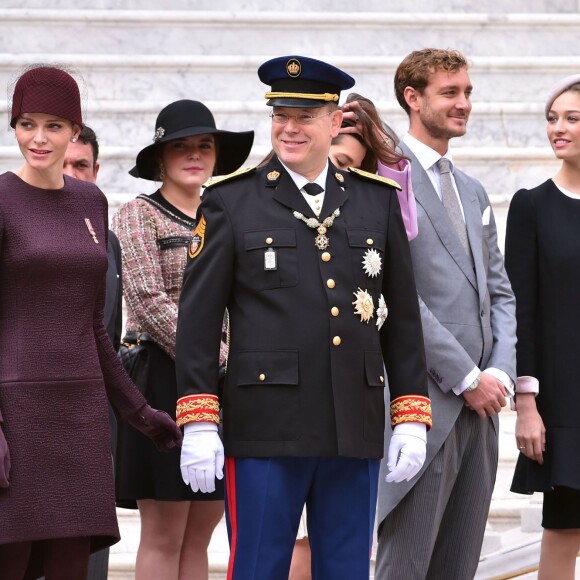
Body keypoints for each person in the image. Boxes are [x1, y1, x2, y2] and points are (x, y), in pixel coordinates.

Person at [175, 55, 432, 580]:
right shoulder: (231, 201)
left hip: (352, 424)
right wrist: (199, 418)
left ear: (335, 121)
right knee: (259, 568)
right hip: (267, 426)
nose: (289, 129)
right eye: (280, 116)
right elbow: (197, 321)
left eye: (305, 117)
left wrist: (411, 415)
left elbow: (402, 320)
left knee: (346, 570)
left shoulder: (374, 201)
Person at [0, 65, 182, 580]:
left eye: (54, 126)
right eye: (27, 123)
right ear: (14, 126)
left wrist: (140, 412)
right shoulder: (2, 197)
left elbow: (93, 325)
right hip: (16, 411)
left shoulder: (91, 202)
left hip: (78, 416)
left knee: (70, 568)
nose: (39, 138)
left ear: (74, 132)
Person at [374, 48, 517, 580]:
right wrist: (465, 375)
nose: (463, 104)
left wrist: (499, 370)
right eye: (450, 92)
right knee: (406, 566)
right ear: (412, 98)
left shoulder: (472, 188)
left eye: (468, 92)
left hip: (482, 409)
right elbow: (394, 293)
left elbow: (499, 291)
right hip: (424, 402)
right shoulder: (384, 179)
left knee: (458, 567)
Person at [112, 99, 254, 580]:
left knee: (202, 534)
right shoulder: (138, 214)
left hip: (227, 382)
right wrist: (218, 357)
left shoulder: (231, 212)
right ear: (159, 158)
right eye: (180, 146)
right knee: (164, 532)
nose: (194, 155)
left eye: (205, 145)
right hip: (164, 381)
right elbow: (148, 302)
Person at [289, 90, 420, 580]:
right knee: (291, 547)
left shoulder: (370, 208)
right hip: (280, 405)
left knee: (343, 554)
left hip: (351, 405)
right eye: (341, 162)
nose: (345, 178)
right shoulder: (251, 201)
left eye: (357, 169)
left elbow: (400, 310)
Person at [505, 74, 580, 580]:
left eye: (572, 118)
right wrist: (526, 403)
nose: (558, 128)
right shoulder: (532, 204)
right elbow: (520, 312)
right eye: (552, 118)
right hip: (565, 399)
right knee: (565, 526)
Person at [62, 124, 122, 580]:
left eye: (80, 165)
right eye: (62, 163)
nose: (70, 174)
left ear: (97, 172)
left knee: (89, 559)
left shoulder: (110, 242)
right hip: (28, 423)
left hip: (96, 423)